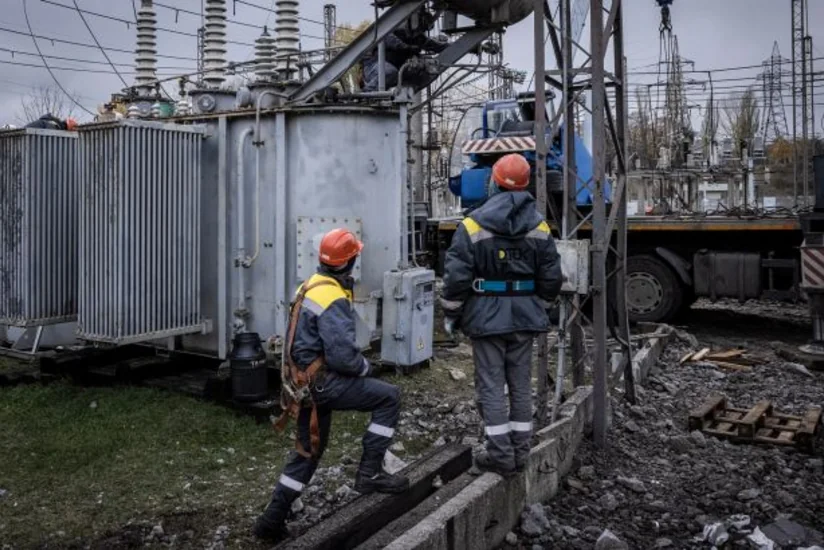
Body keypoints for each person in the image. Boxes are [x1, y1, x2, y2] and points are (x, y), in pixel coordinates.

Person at [253, 228, 409, 543]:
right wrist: (367, 367)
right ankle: (369, 474)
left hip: (302, 385)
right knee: (389, 398)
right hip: (322, 383)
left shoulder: (310, 285)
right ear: (350, 261)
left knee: (308, 453)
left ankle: (270, 521)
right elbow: (343, 358)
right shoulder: (332, 295)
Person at [441, 153, 563, 477]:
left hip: (485, 317)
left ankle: (500, 456)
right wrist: (540, 305)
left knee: (491, 386)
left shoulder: (471, 224)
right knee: (521, 384)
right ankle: (521, 453)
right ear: (525, 185)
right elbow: (552, 277)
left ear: (493, 181)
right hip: (524, 316)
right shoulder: (539, 225)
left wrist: (451, 315)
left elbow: (456, 279)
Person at [362, 9, 448, 92]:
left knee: (429, 72)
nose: (420, 32)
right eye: (421, 27)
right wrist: (407, 47)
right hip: (373, 67)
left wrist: (453, 45)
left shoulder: (418, 38)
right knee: (389, 72)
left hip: (395, 71)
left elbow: (436, 46)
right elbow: (391, 40)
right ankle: (366, 93)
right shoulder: (392, 29)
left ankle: (404, 93)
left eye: (423, 29)